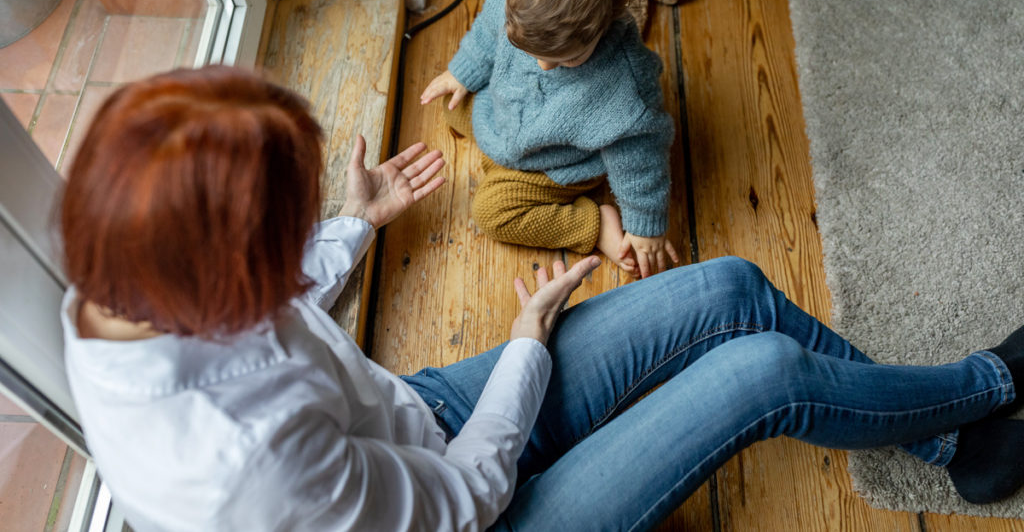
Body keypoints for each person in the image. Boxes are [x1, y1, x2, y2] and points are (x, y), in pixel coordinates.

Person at [61, 68, 1024, 532]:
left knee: (730, 286)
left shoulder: (116, 287)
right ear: (220, 282)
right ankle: (990, 383)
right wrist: (525, 343)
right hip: (475, 511)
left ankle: (953, 445)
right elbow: (464, 498)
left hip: (419, 422)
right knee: (763, 370)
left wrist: (350, 227)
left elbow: (273, 312)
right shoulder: (245, 468)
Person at [420, 0, 678, 279]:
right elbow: (486, 38)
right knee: (451, 100)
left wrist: (644, 223)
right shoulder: (514, 1)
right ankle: (495, 149)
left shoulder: (623, 89)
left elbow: (641, 161)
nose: (543, 66)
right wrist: (463, 73)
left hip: (557, 165)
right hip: (504, 116)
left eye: (565, 59)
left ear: (604, 22)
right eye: (531, 52)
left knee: (491, 212)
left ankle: (592, 222)